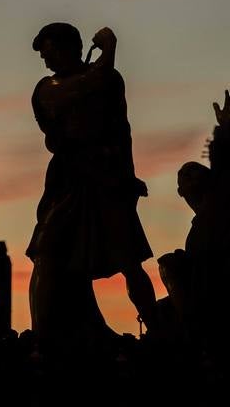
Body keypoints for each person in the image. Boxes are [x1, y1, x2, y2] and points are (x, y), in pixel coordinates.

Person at [26, 23, 157, 339]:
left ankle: (159, 328)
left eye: (49, 51)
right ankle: (42, 334)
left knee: (129, 258)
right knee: (47, 251)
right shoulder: (47, 87)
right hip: (68, 180)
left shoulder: (109, 80)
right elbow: (84, 88)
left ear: (68, 46)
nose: (45, 59)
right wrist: (109, 50)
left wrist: (126, 177)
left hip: (107, 178)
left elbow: (120, 129)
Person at [176, 89, 230, 360]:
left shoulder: (226, 194)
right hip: (208, 316)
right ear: (180, 192)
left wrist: (229, 130)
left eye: (195, 170)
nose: (190, 174)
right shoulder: (195, 232)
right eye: (185, 175)